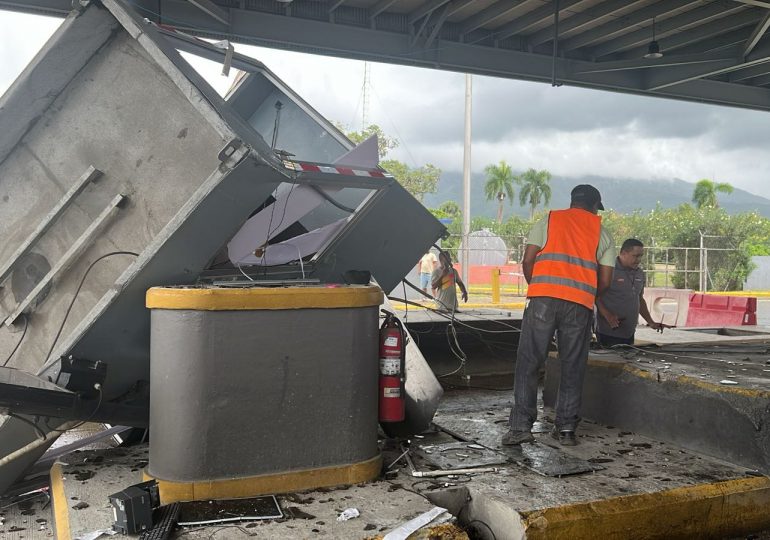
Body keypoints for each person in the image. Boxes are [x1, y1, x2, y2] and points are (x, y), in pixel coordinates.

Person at [503, 185, 616, 447]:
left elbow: (528, 259)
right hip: (579, 304)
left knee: (529, 362)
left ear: (573, 200)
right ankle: (565, 429)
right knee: (573, 365)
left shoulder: (550, 220)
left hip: (542, 298)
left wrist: (540, 287)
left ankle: (520, 428)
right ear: (594, 204)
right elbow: (607, 279)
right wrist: (586, 291)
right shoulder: (602, 232)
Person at [596, 238, 672, 346]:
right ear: (623, 253)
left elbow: (639, 299)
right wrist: (607, 315)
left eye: (641, 256)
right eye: (635, 256)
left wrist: (651, 322)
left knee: (627, 361)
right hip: (608, 332)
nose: (639, 259)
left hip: (629, 332)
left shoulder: (639, 273)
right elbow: (595, 296)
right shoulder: (608, 270)